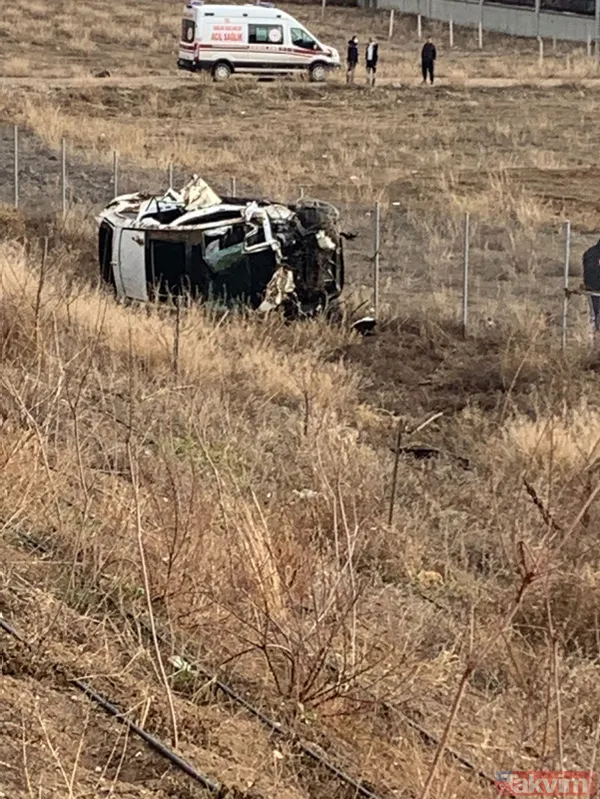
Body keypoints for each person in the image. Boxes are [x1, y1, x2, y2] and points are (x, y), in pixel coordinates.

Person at [583, 239, 600, 341]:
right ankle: (592, 345)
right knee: (594, 318)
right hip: (595, 290)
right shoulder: (591, 255)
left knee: (594, 317)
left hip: (594, 289)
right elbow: (590, 275)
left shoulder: (590, 253)